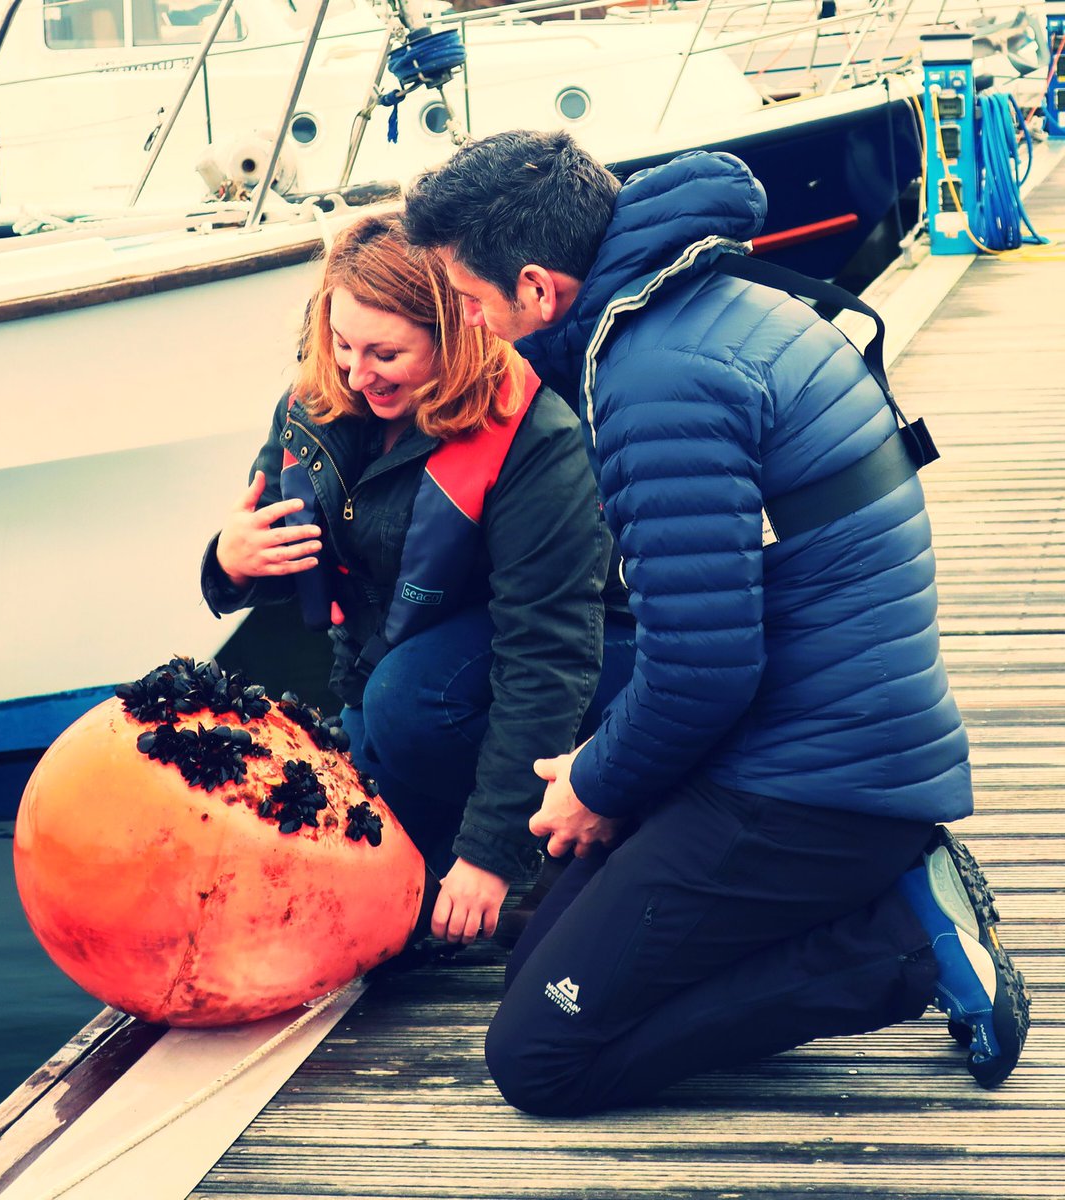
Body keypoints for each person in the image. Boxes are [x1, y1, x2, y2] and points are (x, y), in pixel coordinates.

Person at [403, 131, 1031, 1113]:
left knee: (539, 1056)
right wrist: (606, 774)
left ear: (534, 289)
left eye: (473, 303)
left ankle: (902, 945)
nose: (474, 328)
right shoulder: (698, 304)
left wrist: (598, 783)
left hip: (818, 790)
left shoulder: (657, 375)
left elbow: (704, 670)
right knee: (538, 954)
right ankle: (866, 896)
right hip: (807, 740)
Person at [200, 214, 632, 949]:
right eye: (341, 344)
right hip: (389, 673)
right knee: (379, 901)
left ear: (454, 336)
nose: (357, 373)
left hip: (582, 665)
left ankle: (571, 822)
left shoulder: (539, 440)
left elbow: (549, 654)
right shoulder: (319, 400)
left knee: (406, 705)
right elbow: (291, 563)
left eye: (386, 353)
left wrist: (489, 855)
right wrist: (230, 561)